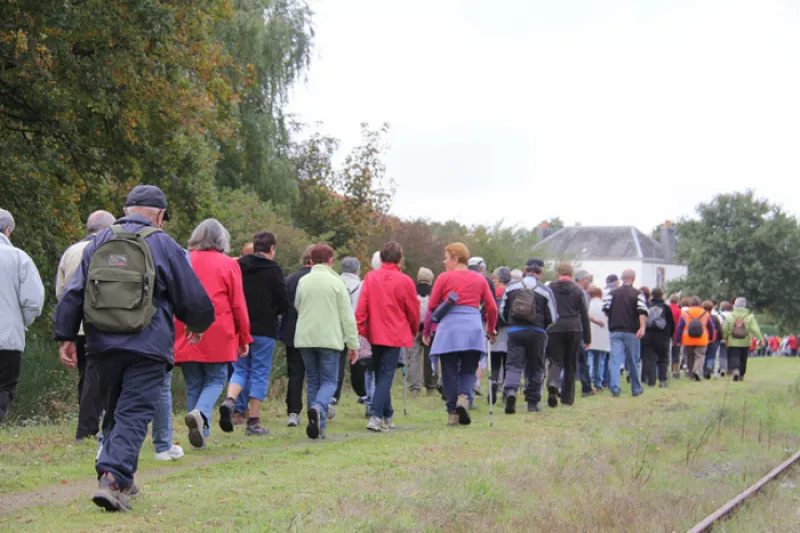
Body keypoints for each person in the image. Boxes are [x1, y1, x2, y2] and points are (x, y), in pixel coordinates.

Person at [54, 185, 214, 511]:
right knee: (134, 413)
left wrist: (67, 335)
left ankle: (123, 477)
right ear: (158, 215)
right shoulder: (163, 244)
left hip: (100, 343)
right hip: (148, 344)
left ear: (126, 210)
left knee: (115, 409)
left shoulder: (98, 241)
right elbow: (193, 299)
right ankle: (113, 479)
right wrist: (197, 326)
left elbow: (74, 291)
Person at [174, 219, 252, 449]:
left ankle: (201, 433)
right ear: (222, 240)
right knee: (216, 378)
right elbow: (238, 304)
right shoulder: (228, 264)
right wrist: (244, 336)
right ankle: (201, 414)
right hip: (219, 328)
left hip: (185, 327)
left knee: (194, 383)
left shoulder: (183, 260)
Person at [219, 231, 288, 437]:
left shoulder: (238, 265)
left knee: (240, 369)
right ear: (272, 248)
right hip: (265, 329)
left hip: (240, 327)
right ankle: (254, 421)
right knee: (259, 372)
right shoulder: (274, 269)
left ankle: (230, 401)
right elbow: (283, 302)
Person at [56, 210, 115, 441]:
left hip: (75, 324)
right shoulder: (106, 249)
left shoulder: (70, 251)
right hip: (98, 323)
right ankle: (88, 427)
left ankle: (87, 421)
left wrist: (65, 328)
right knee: (95, 376)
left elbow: (62, 292)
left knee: (85, 375)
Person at [423, 243, 497, 426]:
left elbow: (432, 307)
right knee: (468, 368)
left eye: (446, 258)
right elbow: (492, 307)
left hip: (449, 328)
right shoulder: (480, 279)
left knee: (448, 371)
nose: (444, 261)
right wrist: (491, 328)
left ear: (455, 259)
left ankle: (452, 413)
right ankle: (464, 396)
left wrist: (426, 330)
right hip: (472, 327)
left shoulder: (443, 278)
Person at [294, 244, 359, 439]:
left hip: (306, 338)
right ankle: (318, 407)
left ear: (311, 260)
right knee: (330, 381)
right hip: (329, 338)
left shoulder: (303, 282)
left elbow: (298, 305)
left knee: (313, 380)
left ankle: (318, 426)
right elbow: (347, 316)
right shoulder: (337, 283)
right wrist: (353, 343)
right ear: (330, 261)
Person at [356, 241, 420, 431]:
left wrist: (361, 329)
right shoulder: (405, 281)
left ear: (382, 257)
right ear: (399, 259)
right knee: (385, 375)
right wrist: (413, 329)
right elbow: (413, 310)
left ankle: (387, 414)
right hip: (395, 333)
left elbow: (362, 307)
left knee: (380, 374)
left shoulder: (370, 278)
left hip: (374, 332)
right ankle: (376, 415)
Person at [0, 208, 45, 423]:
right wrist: (21, 321)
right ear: (8, 230)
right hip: (7, 337)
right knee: (4, 386)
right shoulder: (18, 258)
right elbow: (34, 300)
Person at [499, 258, 556, 413]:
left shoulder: (511, 287)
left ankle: (510, 391)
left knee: (513, 364)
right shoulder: (545, 290)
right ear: (541, 272)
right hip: (537, 332)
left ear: (525, 270)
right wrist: (543, 327)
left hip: (515, 331)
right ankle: (532, 402)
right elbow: (553, 316)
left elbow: (502, 311)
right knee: (535, 367)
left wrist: (511, 323)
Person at [546, 263, 591, 407]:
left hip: (555, 327)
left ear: (557, 273)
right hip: (573, 328)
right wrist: (587, 337)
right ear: (571, 274)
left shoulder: (550, 288)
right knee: (571, 363)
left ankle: (553, 382)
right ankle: (567, 398)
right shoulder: (578, 290)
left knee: (555, 360)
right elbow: (584, 315)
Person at [280, 247, 313, 427]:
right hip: (313, 333)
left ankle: (293, 411)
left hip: (292, 331)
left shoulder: (290, 279)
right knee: (315, 374)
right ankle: (315, 408)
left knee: (295, 373)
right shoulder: (318, 279)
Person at [602, 269, 648, 397]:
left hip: (615, 330)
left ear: (622, 279)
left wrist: (613, 318)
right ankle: (636, 388)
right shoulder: (638, 294)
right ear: (633, 278)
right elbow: (642, 311)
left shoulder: (612, 293)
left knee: (615, 360)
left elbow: (605, 308)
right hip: (632, 331)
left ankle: (615, 387)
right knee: (633, 360)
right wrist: (642, 327)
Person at [338, 257, 368, 411]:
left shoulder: (336, 282)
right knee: (357, 363)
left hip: (336, 329)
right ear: (357, 270)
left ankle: (333, 395)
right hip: (355, 329)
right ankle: (363, 392)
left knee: (336, 364)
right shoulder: (362, 286)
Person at [406, 267, 436, 397]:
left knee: (413, 358)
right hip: (429, 330)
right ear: (430, 280)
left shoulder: (411, 292)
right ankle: (431, 386)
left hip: (414, 329)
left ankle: (414, 388)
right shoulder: (434, 293)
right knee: (431, 358)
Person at [675, 296, 715, 382]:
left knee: (690, 357)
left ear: (690, 304)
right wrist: (711, 337)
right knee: (700, 356)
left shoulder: (685, 313)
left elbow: (680, 327)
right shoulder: (705, 313)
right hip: (702, 339)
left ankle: (691, 374)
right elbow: (711, 327)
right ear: (699, 304)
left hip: (688, 339)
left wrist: (678, 339)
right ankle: (697, 371)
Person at [641, 288, 676, 388]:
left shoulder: (647, 306)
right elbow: (671, 323)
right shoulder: (666, 307)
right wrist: (671, 335)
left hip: (648, 336)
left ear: (652, 295)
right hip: (663, 336)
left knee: (650, 358)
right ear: (662, 295)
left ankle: (651, 381)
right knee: (663, 358)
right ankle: (662, 380)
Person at [722, 297, 763, 381]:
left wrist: (725, 338)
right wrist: (761, 339)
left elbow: (725, 329)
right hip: (745, 342)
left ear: (735, 305)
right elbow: (755, 329)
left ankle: (735, 370)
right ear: (744, 306)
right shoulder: (750, 317)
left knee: (734, 357)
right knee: (743, 359)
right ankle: (741, 374)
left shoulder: (730, 317)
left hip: (732, 341)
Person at [489, 267, 512, 403]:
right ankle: (505, 390)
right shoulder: (510, 293)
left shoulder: (492, 292)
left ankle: (492, 387)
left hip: (495, 331)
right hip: (508, 331)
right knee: (507, 363)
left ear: (498, 279)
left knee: (495, 363)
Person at [574, 270, 595, 397]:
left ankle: (558, 384)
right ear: (584, 280)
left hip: (562, 328)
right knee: (582, 361)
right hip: (578, 330)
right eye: (588, 280)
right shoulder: (582, 294)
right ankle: (586, 387)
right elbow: (584, 315)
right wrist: (588, 337)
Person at [587, 286, 610, 391]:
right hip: (603, 337)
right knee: (600, 361)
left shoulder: (587, 305)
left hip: (590, 336)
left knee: (590, 359)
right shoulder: (605, 306)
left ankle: (589, 379)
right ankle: (598, 382)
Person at [703, 300, 722, 379]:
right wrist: (721, 338)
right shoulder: (715, 318)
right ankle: (710, 367)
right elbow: (720, 329)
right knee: (711, 355)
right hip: (714, 339)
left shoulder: (702, 317)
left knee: (704, 355)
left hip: (704, 339)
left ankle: (704, 371)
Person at [668, 294, 683, 379]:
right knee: (676, 354)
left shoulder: (666, 309)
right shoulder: (679, 310)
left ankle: (665, 371)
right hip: (676, 334)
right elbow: (679, 325)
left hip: (667, 334)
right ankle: (675, 371)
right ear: (677, 301)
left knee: (666, 354)